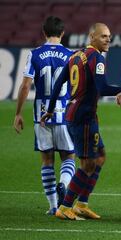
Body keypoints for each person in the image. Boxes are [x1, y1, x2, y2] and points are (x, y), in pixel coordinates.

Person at [41, 23, 121, 220]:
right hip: (83, 117)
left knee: (100, 156)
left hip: (80, 114)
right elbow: (101, 87)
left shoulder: (75, 55)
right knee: (87, 163)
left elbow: (59, 82)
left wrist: (49, 110)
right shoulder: (96, 57)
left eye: (109, 36)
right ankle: (65, 207)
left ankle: (82, 203)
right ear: (92, 37)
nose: (108, 39)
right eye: (104, 36)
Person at [13, 16, 75, 216]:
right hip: (64, 113)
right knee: (69, 156)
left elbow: (25, 85)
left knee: (47, 160)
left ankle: (53, 206)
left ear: (44, 32)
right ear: (63, 33)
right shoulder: (70, 55)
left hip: (41, 115)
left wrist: (18, 113)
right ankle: (64, 183)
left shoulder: (35, 54)